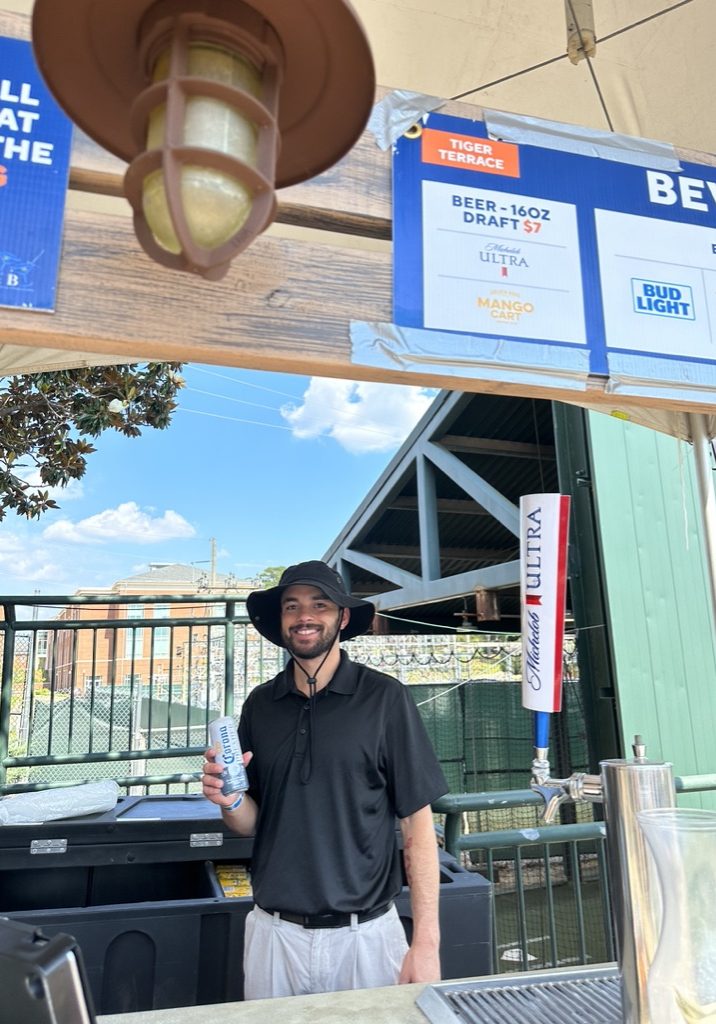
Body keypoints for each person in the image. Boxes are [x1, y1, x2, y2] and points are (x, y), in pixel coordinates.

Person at [202, 560, 449, 1000]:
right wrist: (228, 799)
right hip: (274, 935)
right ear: (280, 622)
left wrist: (426, 943)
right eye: (291, 606)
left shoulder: (385, 698)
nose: (304, 617)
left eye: (320, 605)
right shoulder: (261, 704)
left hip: (367, 937)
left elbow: (417, 826)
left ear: (343, 617)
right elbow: (250, 824)